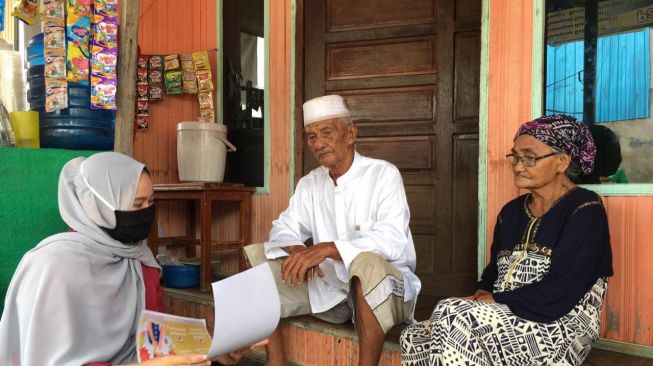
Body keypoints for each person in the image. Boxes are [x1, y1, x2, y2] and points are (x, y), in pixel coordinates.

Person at [0, 152, 263, 366]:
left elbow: (151, 340)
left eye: (151, 202)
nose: (147, 212)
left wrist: (213, 351)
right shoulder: (51, 269)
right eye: (137, 205)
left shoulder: (139, 260)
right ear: (98, 206)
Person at [400, 114, 613, 366]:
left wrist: (495, 300)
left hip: (559, 324)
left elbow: (563, 289)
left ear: (562, 161)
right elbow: (493, 274)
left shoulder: (585, 208)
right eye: (516, 156)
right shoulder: (511, 212)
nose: (518, 166)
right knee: (413, 335)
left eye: (529, 157)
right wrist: (482, 293)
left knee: (452, 314)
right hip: (505, 314)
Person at [244, 95, 421, 366]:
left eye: (327, 133)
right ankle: (275, 360)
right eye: (311, 136)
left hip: (386, 292)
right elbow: (283, 228)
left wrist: (326, 248)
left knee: (366, 263)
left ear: (351, 134)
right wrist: (300, 251)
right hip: (332, 292)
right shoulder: (310, 184)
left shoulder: (383, 175)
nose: (318, 143)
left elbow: (393, 240)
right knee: (258, 260)